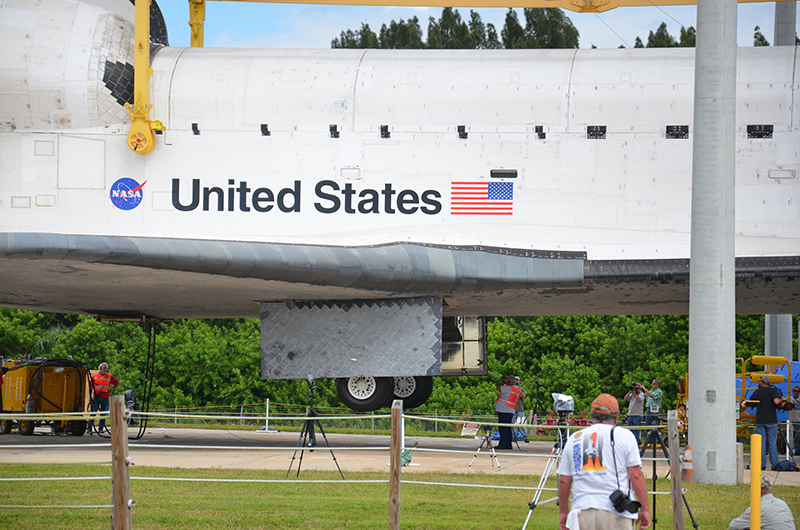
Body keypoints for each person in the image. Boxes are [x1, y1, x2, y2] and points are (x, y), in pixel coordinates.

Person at [557, 393, 651, 530]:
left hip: (582, 510)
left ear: (591, 416)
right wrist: (645, 509)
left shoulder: (574, 438)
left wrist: (564, 512)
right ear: (616, 418)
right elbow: (635, 475)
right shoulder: (625, 436)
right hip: (616, 512)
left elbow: (564, 480)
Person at [744, 376, 785, 470]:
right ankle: (774, 465)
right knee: (772, 443)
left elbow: (751, 401)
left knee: (761, 444)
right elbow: (776, 401)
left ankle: (762, 464)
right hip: (771, 420)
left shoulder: (758, 391)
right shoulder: (773, 391)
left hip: (760, 420)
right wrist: (782, 399)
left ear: (762, 383)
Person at [728, 475, 796, 530]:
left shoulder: (758, 508)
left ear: (754, 490)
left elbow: (733, 526)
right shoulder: (782, 503)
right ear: (770, 488)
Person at [87, 362, 119, 435]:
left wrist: (112, 389)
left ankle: (101, 428)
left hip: (106, 397)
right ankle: (89, 428)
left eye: (106, 368)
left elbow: (117, 382)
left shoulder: (109, 376)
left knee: (103, 413)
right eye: (104, 368)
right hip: (97, 397)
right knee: (93, 412)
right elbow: (90, 386)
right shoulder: (95, 376)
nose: (105, 369)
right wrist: (90, 397)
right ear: (100, 368)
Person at [494, 375, 520, 450]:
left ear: (510, 381)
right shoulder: (516, 389)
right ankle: (508, 444)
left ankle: (502, 444)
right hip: (510, 410)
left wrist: (502, 383)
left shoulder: (508, 388)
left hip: (504, 409)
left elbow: (498, 388)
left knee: (503, 427)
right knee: (508, 427)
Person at [513, 376, 529, 443]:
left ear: (519, 381)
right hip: (513, 409)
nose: (516, 381)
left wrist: (518, 390)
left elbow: (523, 396)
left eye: (517, 380)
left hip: (520, 409)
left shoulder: (522, 389)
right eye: (515, 380)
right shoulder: (511, 389)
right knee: (513, 424)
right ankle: (514, 437)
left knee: (522, 424)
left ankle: (525, 437)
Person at [788, 385, 800, 457]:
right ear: (793, 391)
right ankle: (795, 449)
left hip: (799, 419)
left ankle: (796, 449)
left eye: (798, 391)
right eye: (795, 391)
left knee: (798, 435)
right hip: (792, 419)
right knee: (797, 435)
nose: (796, 392)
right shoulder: (789, 399)